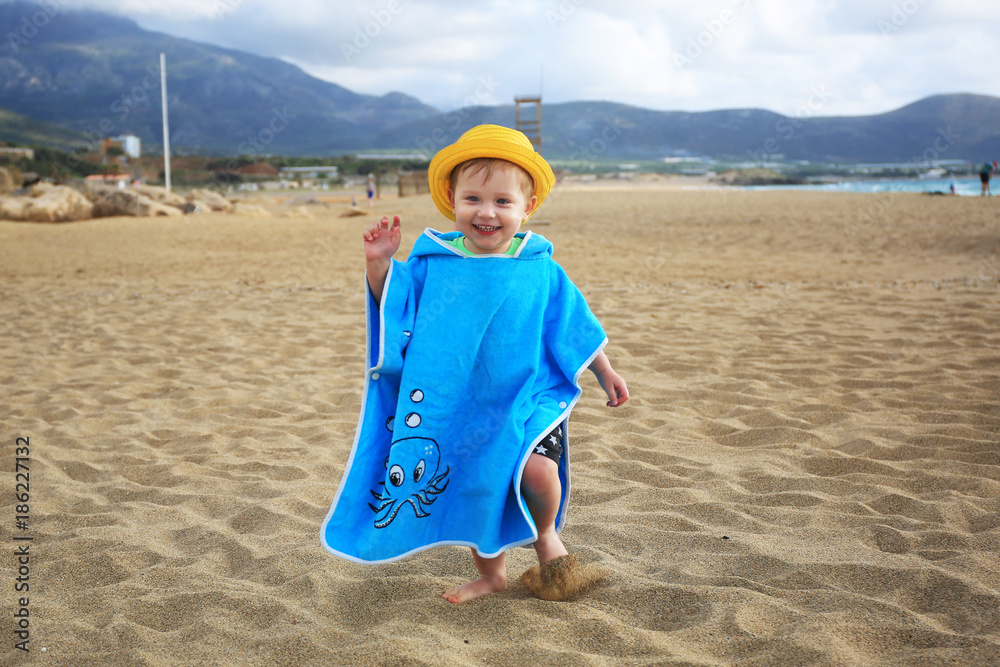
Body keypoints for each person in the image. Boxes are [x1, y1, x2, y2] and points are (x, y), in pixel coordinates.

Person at [320, 125, 628, 604]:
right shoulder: (434, 263)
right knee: (478, 480)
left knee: (539, 475)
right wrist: (379, 265)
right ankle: (492, 574)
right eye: (473, 199)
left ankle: (546, 536)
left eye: (503, 202)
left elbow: (571, 325)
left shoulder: (539, 266)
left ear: (527, 209)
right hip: (462, 401)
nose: (486, 212)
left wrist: (603, 369)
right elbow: (394, 310)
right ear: (452, 199)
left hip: (528, 394)